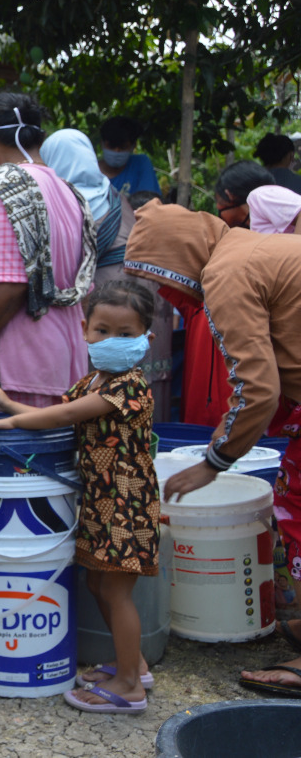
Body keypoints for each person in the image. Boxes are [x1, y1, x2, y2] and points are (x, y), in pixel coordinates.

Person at [124, 201, 301, 697]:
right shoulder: (249, 249)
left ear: (175, 259)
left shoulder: (227, 273)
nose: (163, 293)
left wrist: (213, 462)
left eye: (161, 279)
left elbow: (256, 390)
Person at [0, 280, 159, 714]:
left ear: (147, 337)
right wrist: (8, 405)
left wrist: (7, 422)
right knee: (98, 582)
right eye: (103, 330)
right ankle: (135, 665)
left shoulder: (128, 385)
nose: (113, 340)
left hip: (126, 504)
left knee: (115, 589)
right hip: (101, 501)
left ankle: (130, 686)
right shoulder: (94, 379)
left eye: (127, 334)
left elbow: (67, 414)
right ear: (84, 329)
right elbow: (56, 416)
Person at [0, 93, 96, 411]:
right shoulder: (69, 191)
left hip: (16, 369)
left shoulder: (4, 189)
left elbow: (10, 286)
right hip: (65, 359)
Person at [44, 128, 173, 420]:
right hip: (146, 288)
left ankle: (107, 441)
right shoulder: (110, 189)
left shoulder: (66, 200)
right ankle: (150, 440)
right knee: (144, 367)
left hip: (107, 293)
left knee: (107, 373)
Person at [98, 117, 161, 202]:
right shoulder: (88, 170)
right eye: (112, 146)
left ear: (133, 146)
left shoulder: (140, 164)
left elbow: (148, 203)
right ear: (102, 144)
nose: (117, 151)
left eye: (123, 147)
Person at [214, 160, 280, 229]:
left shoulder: (236, 236)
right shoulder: (286, 227)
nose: (217, 207)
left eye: (220, 201)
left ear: (230, 195)